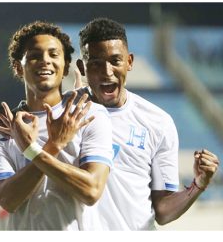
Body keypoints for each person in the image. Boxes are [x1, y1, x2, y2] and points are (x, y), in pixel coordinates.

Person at [75, 17, 220, 230]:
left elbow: (163, 210)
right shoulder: (63, 116)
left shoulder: (157, 122)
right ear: (82, 67)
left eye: (115, 61)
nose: (107, 72)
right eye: (96, 63)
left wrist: (198, 185)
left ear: (129, 62)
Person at [0, 21, 113, 230]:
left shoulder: (90, 115)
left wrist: (33, 151)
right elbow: (7, 200)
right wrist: (54, 145)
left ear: (66, 66)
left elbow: (91, 191)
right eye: (34, 55)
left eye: (54, 54)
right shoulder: (0, 125)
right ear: (18, 67)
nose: (45, 61)